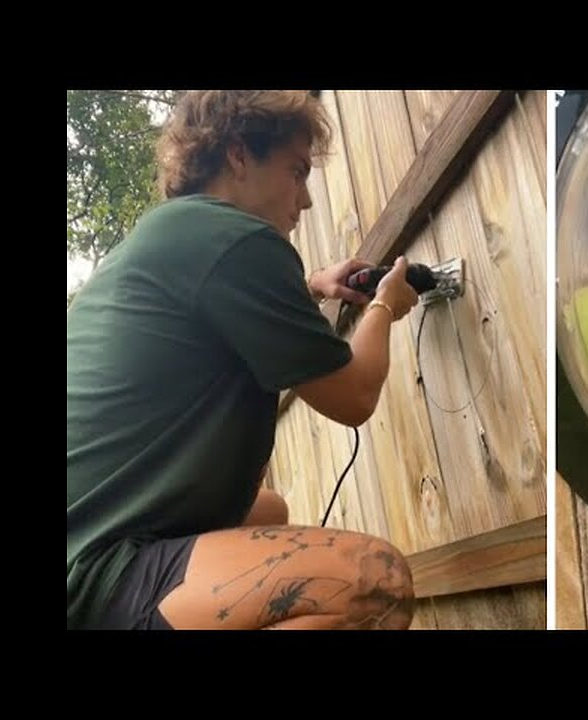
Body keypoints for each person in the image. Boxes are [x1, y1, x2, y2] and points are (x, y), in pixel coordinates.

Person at [67, 90, 419, 630]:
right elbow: (354, 395)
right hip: (94, 570)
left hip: (96, 528)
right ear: (237, 154)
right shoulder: (234, 238)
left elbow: (214, 311)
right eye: (296, 172)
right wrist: (384, 307)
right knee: (377, 582)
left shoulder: (177, 235)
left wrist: (310, 287)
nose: (304, 200)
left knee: (269, 511)